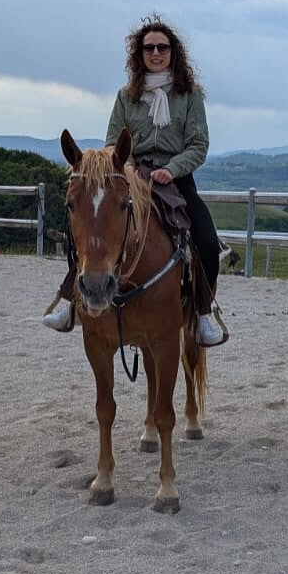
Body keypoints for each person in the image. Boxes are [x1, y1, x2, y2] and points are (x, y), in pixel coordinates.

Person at [43, 18, 226, 347]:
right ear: (139, 53)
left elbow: (198, 145)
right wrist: (125, 168)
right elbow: (114, 141)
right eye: (149, 47)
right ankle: (70, 300)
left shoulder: (189, 95)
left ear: (173, 52)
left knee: (208, 242)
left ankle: (201, 313)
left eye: (162, 47)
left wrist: (172, 169)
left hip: (175, 177)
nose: (156, 53)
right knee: (92, 224)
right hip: (129, 173)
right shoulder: (126, 96)